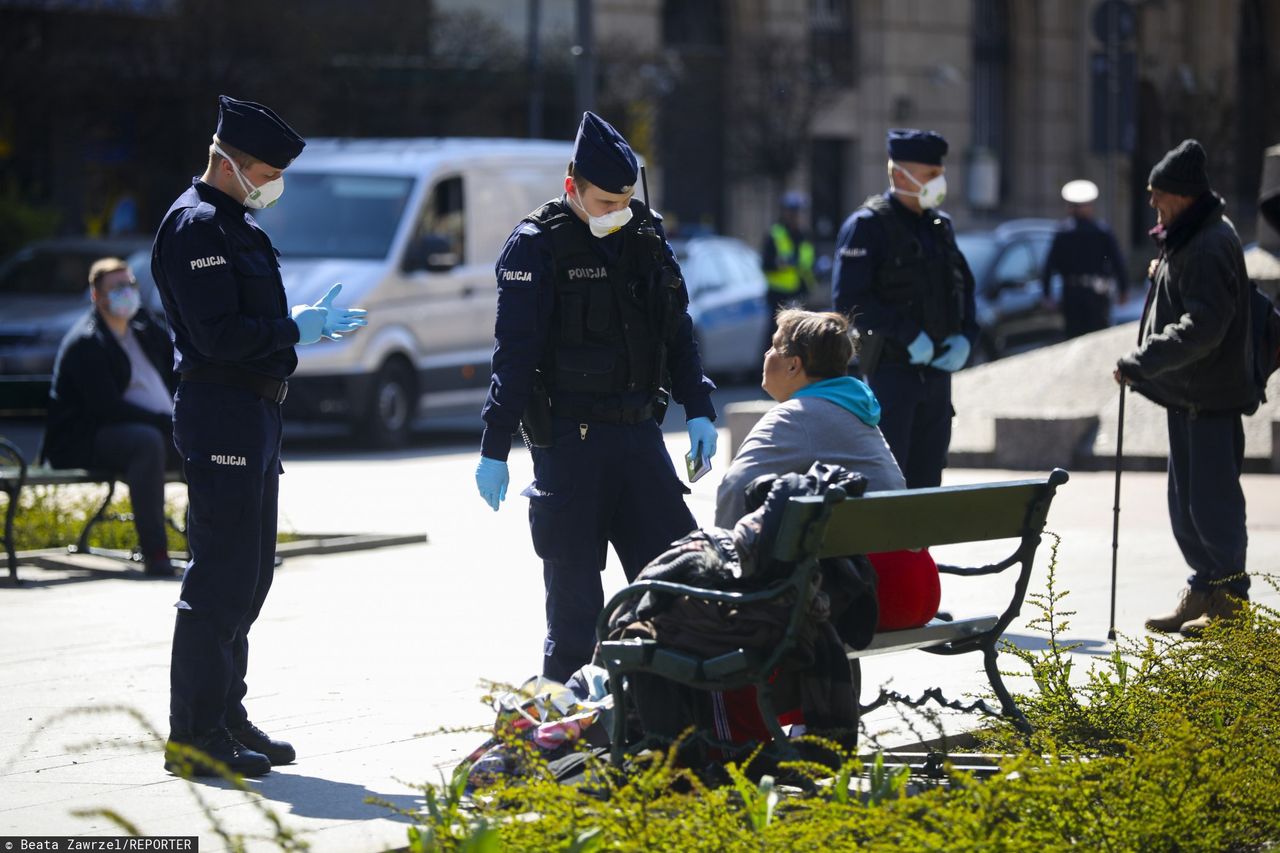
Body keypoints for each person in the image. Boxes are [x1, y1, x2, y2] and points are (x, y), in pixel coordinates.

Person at [152, 95, 367, 777]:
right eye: (268, 170)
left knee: (251, 576)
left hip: (255, 415)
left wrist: (292, 332)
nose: (275, 183)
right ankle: (194, 737)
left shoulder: (236, 225)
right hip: (221, 411)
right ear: (231, 163)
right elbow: (219, 336)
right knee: (219, 576)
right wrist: (291, 329)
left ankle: (225, 715)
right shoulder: (196, 228)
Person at [475, 111, 718, 683]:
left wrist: (700, 407)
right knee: (577, 618)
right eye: (606, 201)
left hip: (638, 440)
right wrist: (493, 444)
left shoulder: (645, 235)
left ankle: (673, 732)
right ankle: (561, 748)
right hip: (570, 446)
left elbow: (676, 330)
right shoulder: (533, 247)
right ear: (572, 188)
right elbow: (514, 355)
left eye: (626, 199)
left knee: (679, 592)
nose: (618, 212)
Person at [715, 308, 939, 631]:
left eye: (774, 346)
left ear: (794, 364)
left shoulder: (796, 415)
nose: (766, 354)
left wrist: (727, 580)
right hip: (917, 585)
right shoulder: (857, 409)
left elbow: (735, 487)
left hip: (873, 594)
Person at [1114, 139, 1252, 638]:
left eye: (1158, 194)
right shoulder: (1190, 237)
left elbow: (1206, 325)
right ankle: (1205, 588)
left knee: (1212, 505)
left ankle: (1231, 607)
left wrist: (1143, 361)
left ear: (1184, 194)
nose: (1153, 203)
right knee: (1186, 503)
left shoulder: (1211, 242)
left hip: (1210, 396)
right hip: (1190, 396)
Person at [831, 129, 978, 488]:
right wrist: (907, 334)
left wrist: (966, 338)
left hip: (938, 376)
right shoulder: (867, 227)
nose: (938, 182)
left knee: (928, 482)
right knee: (888, 482)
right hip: (891, 374)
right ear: (899, 174)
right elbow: (849, 301)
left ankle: (918, 548)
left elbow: (964, 290)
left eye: (939, 173)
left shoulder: (940, 226)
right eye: (930, 175)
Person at [45, 257, 179, 576]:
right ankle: (156, 553)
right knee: (146, 442)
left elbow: (179, 368)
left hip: (151, 430)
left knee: (208, 442)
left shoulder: (144, 330)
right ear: (96, 296)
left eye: (130, 285)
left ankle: (213, 547)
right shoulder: (87, 342)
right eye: (117, 288)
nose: (127, 292)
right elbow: (107, 409)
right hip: (87, 440)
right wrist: (164, 422)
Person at [1041, 179, 1128, 338]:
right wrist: (1123, 289)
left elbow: (1048, 265)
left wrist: (1047, 294)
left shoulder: (1064, 233)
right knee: (1093, 339)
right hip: (1091, 295)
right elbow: (1118, 262)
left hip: (1076, 295)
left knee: (1076, 338)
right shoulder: (1100, 232)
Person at [761, 191, 816, 349]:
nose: (796, 216)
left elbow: (808, 265)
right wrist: (782, 264)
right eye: (792, 212)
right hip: (778, 297)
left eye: (798, 212)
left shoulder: (805, 236)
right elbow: (766, 265)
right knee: (775, 339)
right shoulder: (775, 235)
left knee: (801, 339)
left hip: (801, 295)